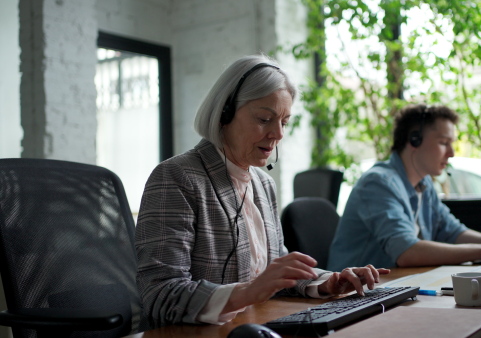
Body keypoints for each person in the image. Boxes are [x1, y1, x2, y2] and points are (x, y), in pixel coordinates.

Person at [135, 54, 390, 329]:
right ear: (224, 113)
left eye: (284, 121)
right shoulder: (177, 177)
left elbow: (275, 268)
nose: (278, 134)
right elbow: (159, 294)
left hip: (257, 327)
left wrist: (327, 282)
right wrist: (247, 292)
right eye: (264, 119)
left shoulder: (262, 183)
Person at [327, 104, 481, 271]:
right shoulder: (377, 183)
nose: (452, 153)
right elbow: (407, 252)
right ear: (414, 140)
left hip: (393, 288)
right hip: (352, 297)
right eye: (443, 143)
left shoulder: (424, 185)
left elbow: (453, 231)